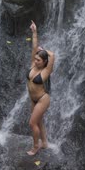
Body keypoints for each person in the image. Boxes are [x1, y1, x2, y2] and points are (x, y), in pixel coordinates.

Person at [26, 21, 55, 156]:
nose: (36, 60)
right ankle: (44, 143)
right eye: (36, 58)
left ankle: (35, 147)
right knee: (39, 121)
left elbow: (52, 56)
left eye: (39, 59)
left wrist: (43, 50)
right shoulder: (33, 65)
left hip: (43, 99)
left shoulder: (46, 71)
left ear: (44, 62)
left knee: (32, 123)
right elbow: (34, 47)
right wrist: (34, 32)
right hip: (33, 99)